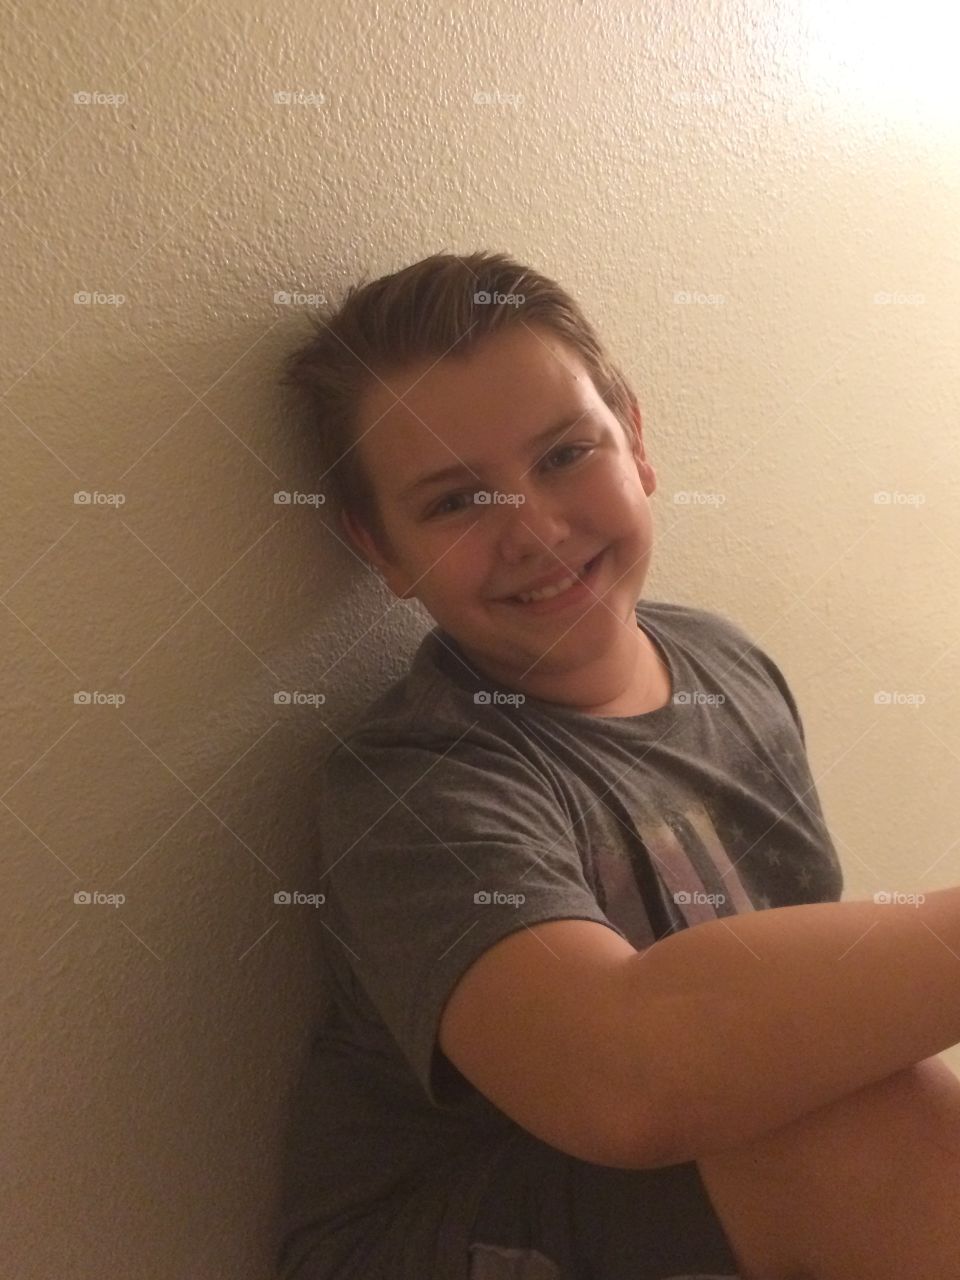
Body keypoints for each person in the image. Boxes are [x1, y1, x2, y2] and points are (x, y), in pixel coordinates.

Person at [275, 251, 960, 1280]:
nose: (537, 530)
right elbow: (622, 1071)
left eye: (564, 455)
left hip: (687, 1182)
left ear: (634, 438)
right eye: (458, 501)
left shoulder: (725, 664)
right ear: (382, 550)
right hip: (450, 1225)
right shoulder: (414, 781)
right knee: (875, 1135)